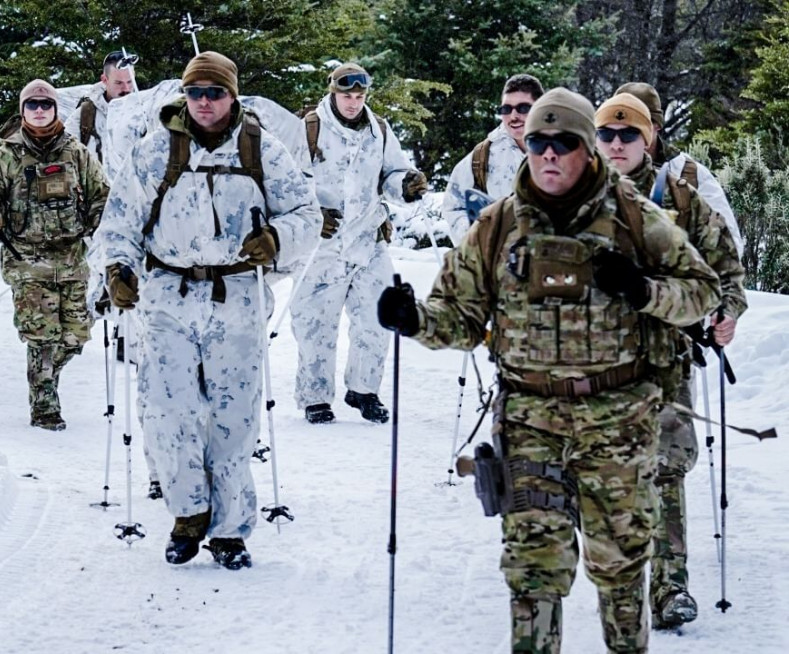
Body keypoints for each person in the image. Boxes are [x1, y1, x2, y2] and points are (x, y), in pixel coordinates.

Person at [377, 88, 721, 653]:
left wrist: (642, 289)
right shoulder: (497, 226)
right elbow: (460, 318)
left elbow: (701, 292)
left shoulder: (636, 217)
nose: (549, 154)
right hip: (530, 421)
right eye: (538, 142)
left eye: (564, 142)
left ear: (587, 149)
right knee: (533, 572)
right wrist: (413, 319)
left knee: (619, 566)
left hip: (618, 421)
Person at [96, 51, 319, 569]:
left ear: (232, 96)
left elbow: (306, 213)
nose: (203, 102)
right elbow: (121, 220)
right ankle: (188, 514)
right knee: (166, 412)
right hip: (167, 296)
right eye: (195, 92)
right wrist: (117, 269)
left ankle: (229, 530)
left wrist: (276, 239)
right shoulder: (156, 151)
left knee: (233, 419)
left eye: (214, 93)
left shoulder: (262, 149)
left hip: (237, 296)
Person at [594, 93, 747, 629]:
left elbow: (726, 265)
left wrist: (725, 312)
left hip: (666, 356)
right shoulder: (565, 195)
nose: (617, 144)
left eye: (628, 135)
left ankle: (671, 587)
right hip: (592, 365)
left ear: (649, 138)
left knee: (664, 469)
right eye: (607, 135)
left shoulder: (681, 199)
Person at [289, 62, 426, 426]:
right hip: (323, 245)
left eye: (359, 96)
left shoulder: (378, 129)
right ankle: (315, 398)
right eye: (346, 95)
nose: (353, 102)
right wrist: (312, 214)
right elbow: (287, 182)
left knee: (376, 318)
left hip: (367, 240)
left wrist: (406, 185)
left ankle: (364, 390)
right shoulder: (309, 129)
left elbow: (391, 174)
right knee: (315, 325)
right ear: (334, 92)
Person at [0, 79, 109, 430]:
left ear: (54, 110)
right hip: (26, 259)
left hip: (72, 258)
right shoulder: (7, 155)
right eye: (32, 105)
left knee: (77, 334)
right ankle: (45, 405)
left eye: (45, 104)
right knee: (42, 337)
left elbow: (101, 195)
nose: (39, 110)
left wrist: (99, 223)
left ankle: (46, 374)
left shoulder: (75, 152)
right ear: (23, 111)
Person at [614, 82, 744, 257]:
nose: (621, 138)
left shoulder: (689, 174)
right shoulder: (591, 172)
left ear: (656, 126)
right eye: (614, 128)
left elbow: (729, 246)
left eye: (637, 125)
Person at [442, 74, 545, 245]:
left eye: (523, 108)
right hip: (500, 266)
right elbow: (453, 205)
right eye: (506, 109)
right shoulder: (484, 155)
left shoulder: (565, 149)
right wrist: (477, 239)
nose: (513, 116)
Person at [65, 50, 135, 180]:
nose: (126, 89)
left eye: (130, 82)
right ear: (104, 80)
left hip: (136, 197)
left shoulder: (146, 112)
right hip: (99, 196)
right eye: (119, 83)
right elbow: (64, 155)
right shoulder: (85, 115)